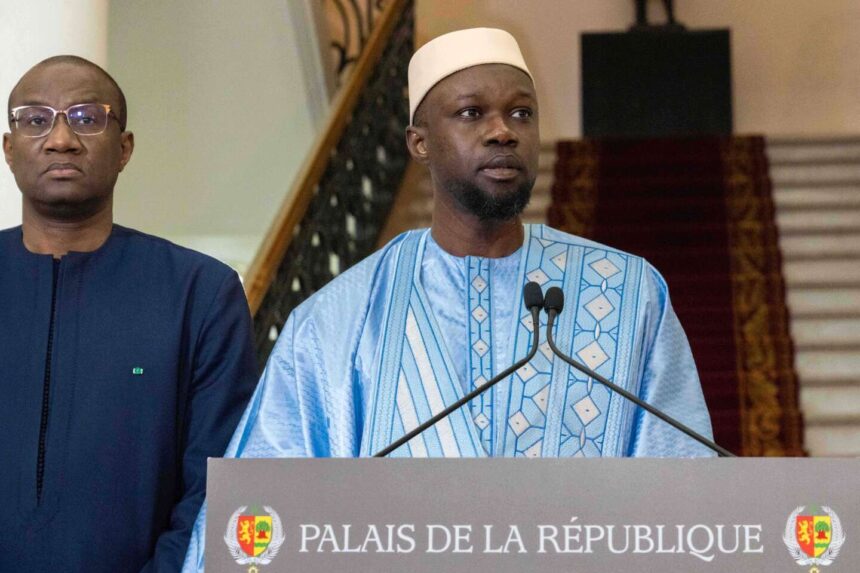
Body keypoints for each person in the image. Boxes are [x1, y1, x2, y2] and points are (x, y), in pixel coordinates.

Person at [182, 27, 715, 569]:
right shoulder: (335, 320)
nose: (502, 132)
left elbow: (684, 489)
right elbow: (264, 515)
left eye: (521, 114)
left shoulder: (628, 292)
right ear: (419, 143)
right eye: (470, 113)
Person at [0, 55, 258, 571]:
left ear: (124, 148)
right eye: (35, 119)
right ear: (9, 149)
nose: (60, 139)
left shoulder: (200, 293)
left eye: (86, 117)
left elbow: (218, 489)